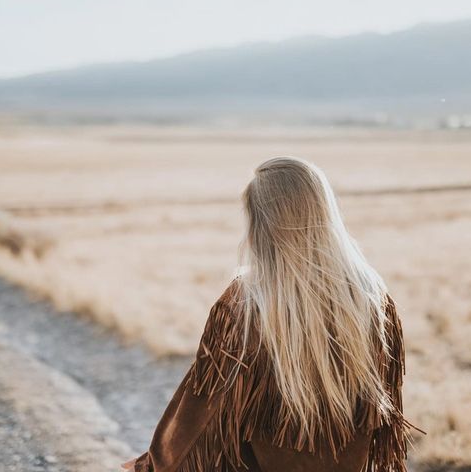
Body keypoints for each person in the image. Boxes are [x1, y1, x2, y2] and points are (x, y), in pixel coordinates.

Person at [122, 156, 425, 472]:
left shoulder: (245, 302)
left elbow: (201, 413)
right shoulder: (373, 297)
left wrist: (153, 465)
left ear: (260, 224)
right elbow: (383, 413)